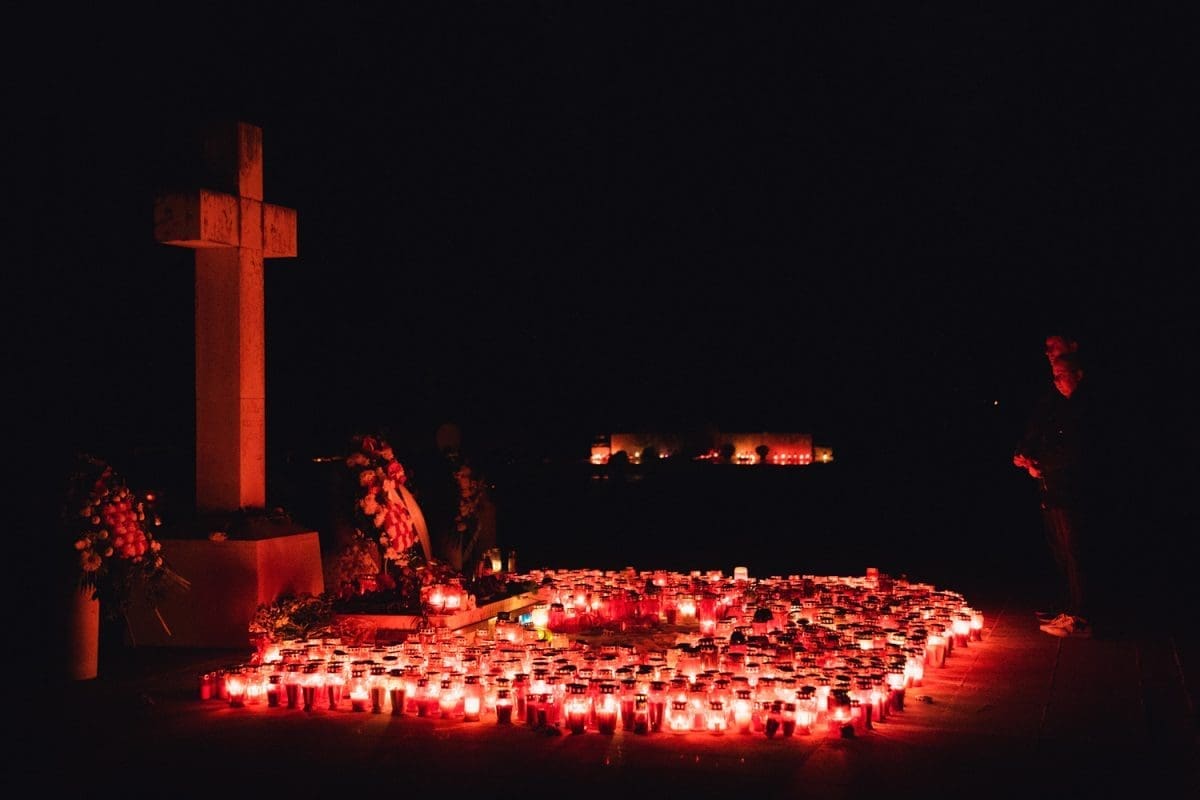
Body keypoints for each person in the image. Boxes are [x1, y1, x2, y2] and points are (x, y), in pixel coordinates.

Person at [1012, 336, 1098, 638]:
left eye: (1062, 376)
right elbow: (1042, 429)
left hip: (1071, 488)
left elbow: (1075, 451)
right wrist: (1026, 454)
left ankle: (1081, 615)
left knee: (1075, 552)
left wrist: (1041, 465)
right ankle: (1070, 608)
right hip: (1055, 486)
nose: (1058, 382)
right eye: (1054, 378)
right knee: (1062, 550)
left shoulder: (1083, 407)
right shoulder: (1059, 403)